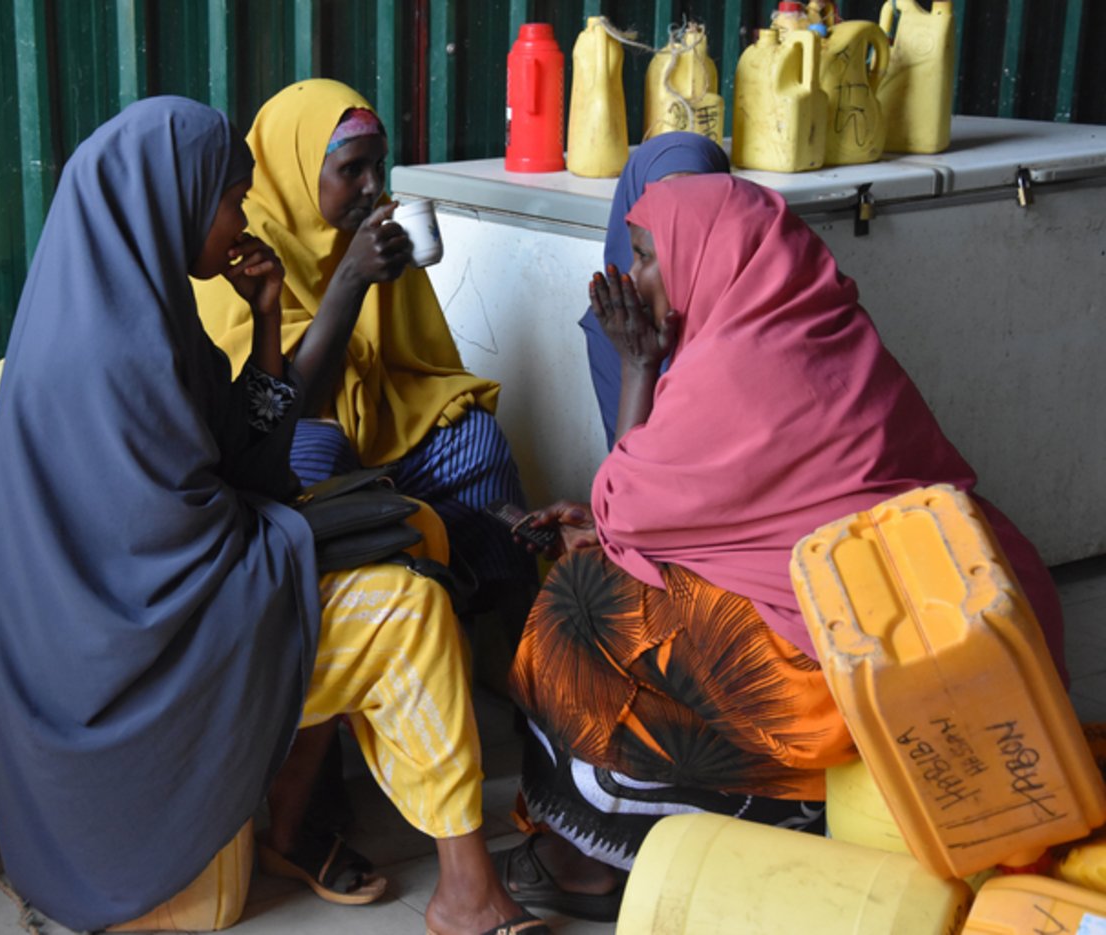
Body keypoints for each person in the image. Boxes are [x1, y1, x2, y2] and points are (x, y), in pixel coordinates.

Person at [0, 97, 547, 935]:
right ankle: (466, 892)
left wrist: (267, 323)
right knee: (407, 604)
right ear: (166, 200)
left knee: (396, 540)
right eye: (229, 198)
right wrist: (310, 536)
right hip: (130, 672)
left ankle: (302, 815)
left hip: (153, 627)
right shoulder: (111, 357)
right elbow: (185, 541)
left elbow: (242, 465)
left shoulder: (132, 309)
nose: (243, 217)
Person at [491, 174, 1068, 922]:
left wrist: (638, 366)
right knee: (630, 576)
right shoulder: (824, 331)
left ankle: (603, 851)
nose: (633, 282)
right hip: (960, 641)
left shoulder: (731, 371)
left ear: (708, 259)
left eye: (646, 258)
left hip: (846, 696)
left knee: (578, 601)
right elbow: (731, 523)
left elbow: (623, 515)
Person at [192, 78, 536, 636]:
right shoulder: (238, 243)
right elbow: (285, 409)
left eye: (378, 167)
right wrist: (351, 278)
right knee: (317, 458)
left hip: (380, 419)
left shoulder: (373, 225)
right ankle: (351, 647)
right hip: (292, 432)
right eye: (351, 169)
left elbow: (415, 369)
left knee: (476, 442)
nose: (371, 186)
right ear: (297, 167)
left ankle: (524, 658)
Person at [576, 132, 729, 450]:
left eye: (694, 203)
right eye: (661, 198)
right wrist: (637, 365)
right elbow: (630, 484)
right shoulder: (617, 326)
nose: (675, 218)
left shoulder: (751, 312)